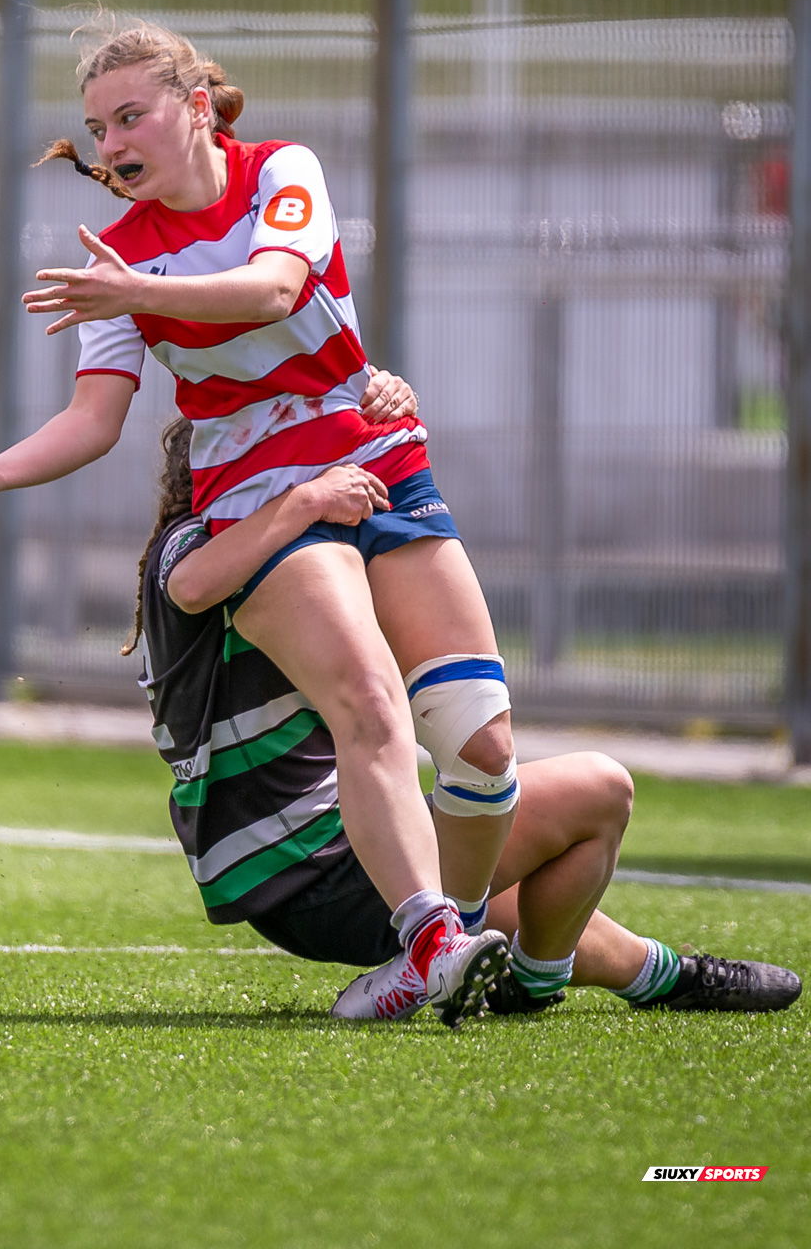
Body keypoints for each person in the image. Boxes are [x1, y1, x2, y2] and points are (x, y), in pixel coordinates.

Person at [0, 20, 520, 1026]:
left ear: (192, 109)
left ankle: (469, 932)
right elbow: (92, 423)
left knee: (481, 748)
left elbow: (273, 284)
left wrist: (132, 289)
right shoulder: (117, 263)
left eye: (129, 116)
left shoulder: (280, 173)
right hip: (258, 501)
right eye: (96, 128)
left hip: (378, 461)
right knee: (366, 703)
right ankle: (429, 941)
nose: (110, 145)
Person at [129, 407, 802, 1023]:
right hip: (326, 868)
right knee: (601, 790)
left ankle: (664, 975)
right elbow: (194, 583)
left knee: (519, 905)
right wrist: (309, 497)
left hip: (293, 881)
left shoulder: (253, 553)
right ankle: (514, 982)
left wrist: (379, 404)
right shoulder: (200, 546)